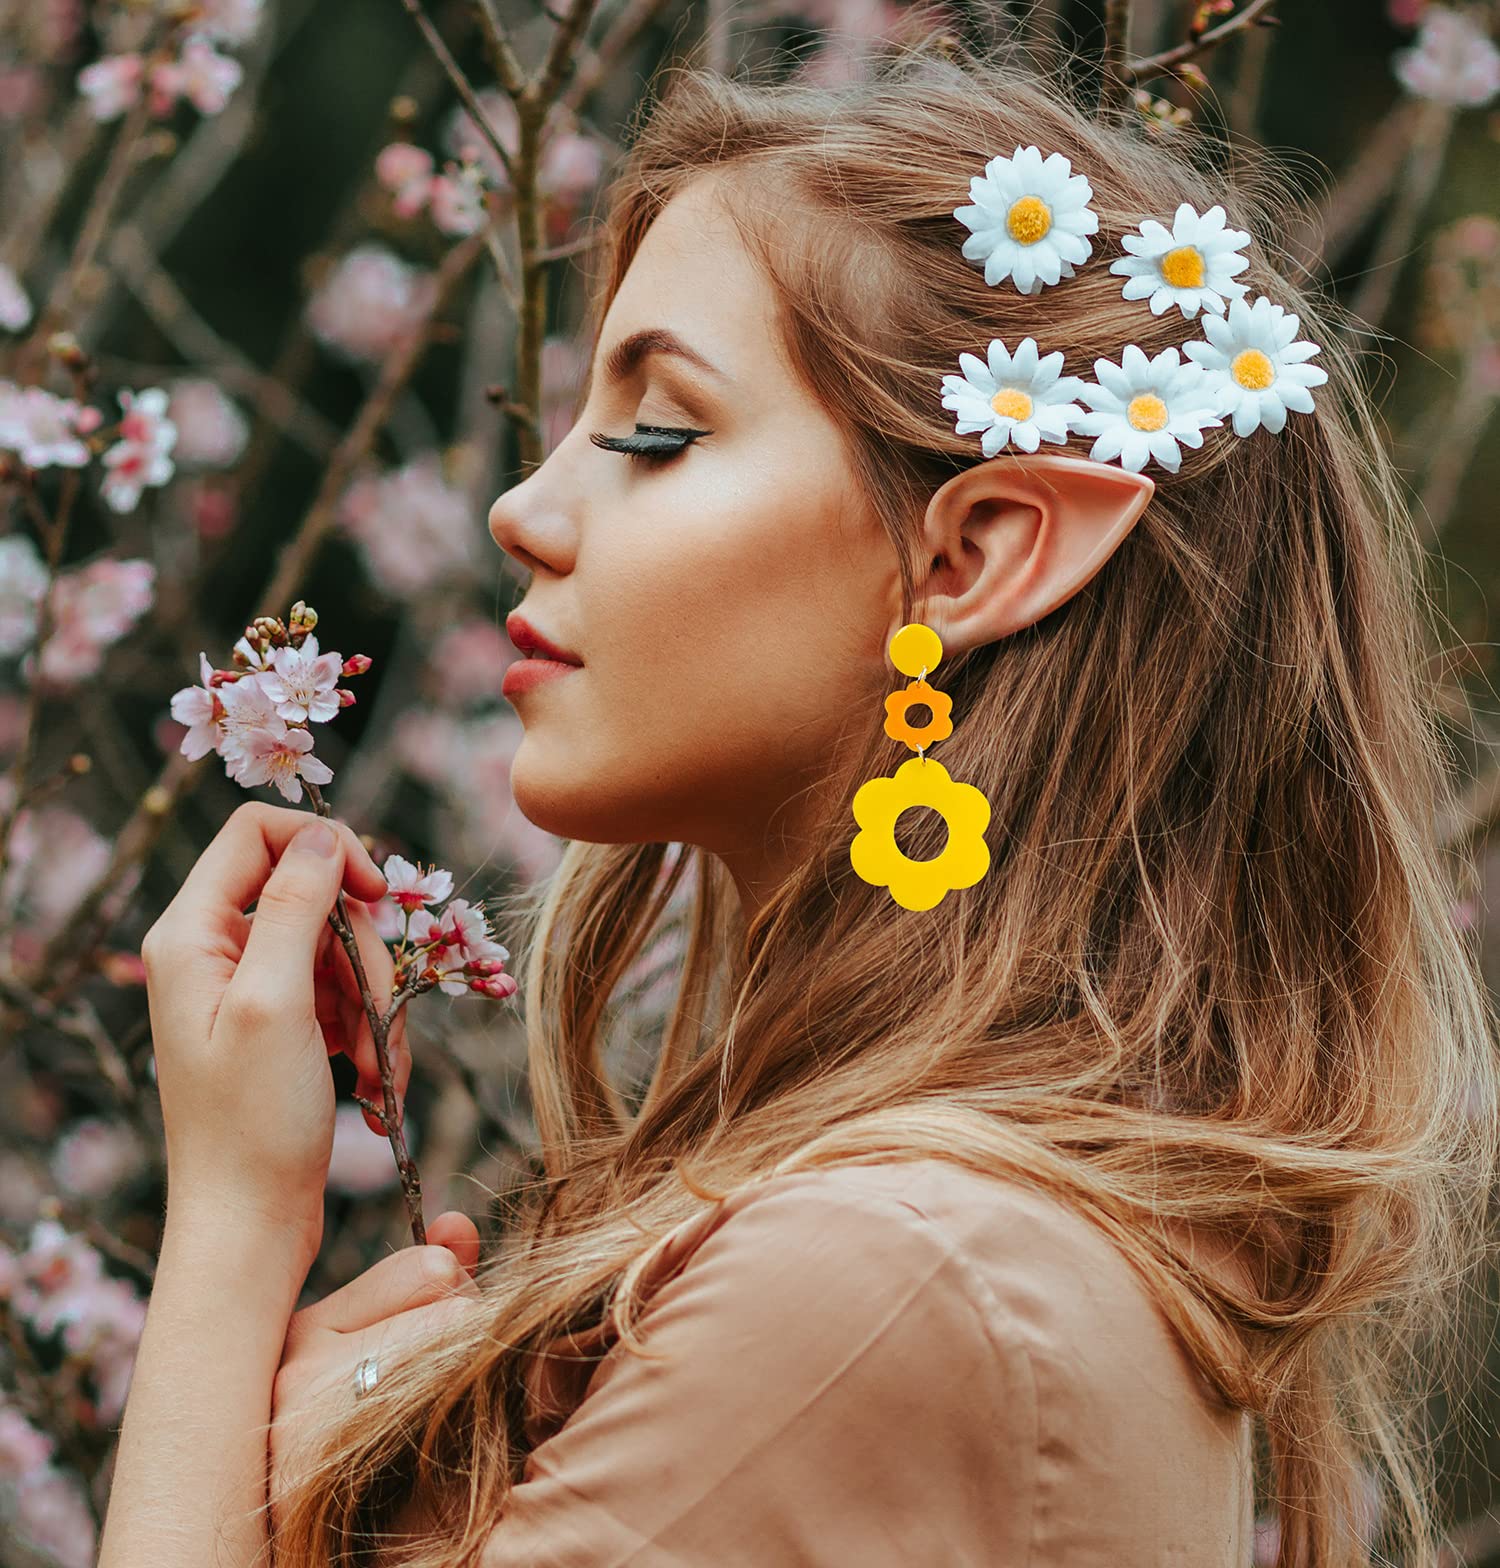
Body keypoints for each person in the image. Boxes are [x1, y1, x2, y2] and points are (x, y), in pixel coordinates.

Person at [101, 34, 1499, 1568]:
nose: (523, 508)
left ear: (974, 557)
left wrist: (235, 1248)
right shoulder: (929, 1240)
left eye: (656, 433)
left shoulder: (888, 1273)